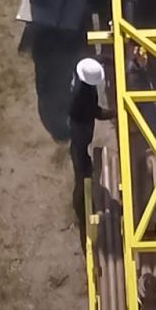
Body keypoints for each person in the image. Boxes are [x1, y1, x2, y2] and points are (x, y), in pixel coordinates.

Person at [69, 58, 114, 225]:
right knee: (81, 149)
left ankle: (81, 159)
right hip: (82, 125)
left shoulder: (79, 78)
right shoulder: (84, 95)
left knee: (80, 144)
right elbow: (97, 113)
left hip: (78, 121)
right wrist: (115, 113)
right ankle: (82, 174)